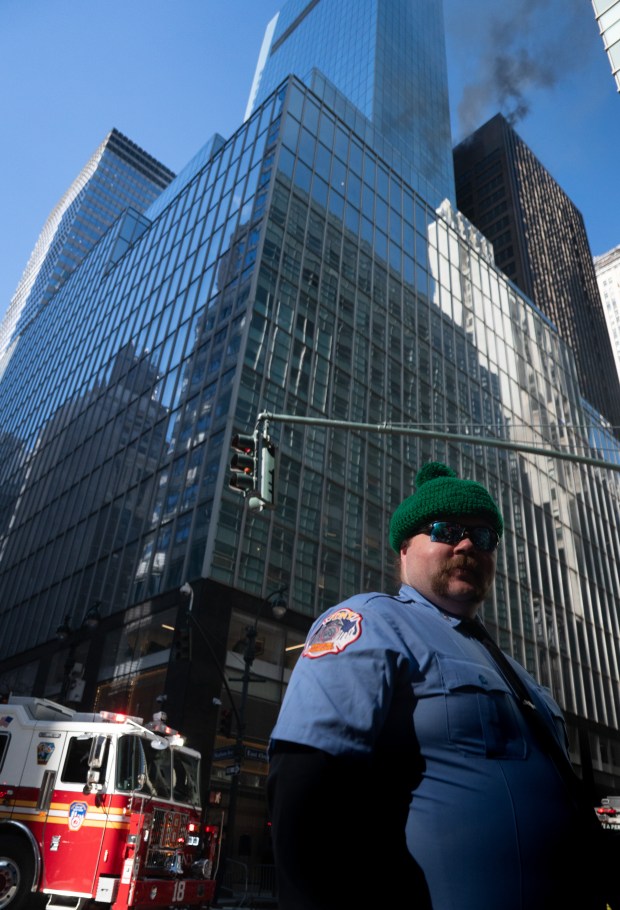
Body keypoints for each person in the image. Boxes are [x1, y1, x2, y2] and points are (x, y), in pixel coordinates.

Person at [267, 461, 612, 910]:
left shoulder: (516, 672)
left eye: (483, 536)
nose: (468, 542)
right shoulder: (371, 621)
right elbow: (303, 787)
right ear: (404, 549)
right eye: (446, 530)